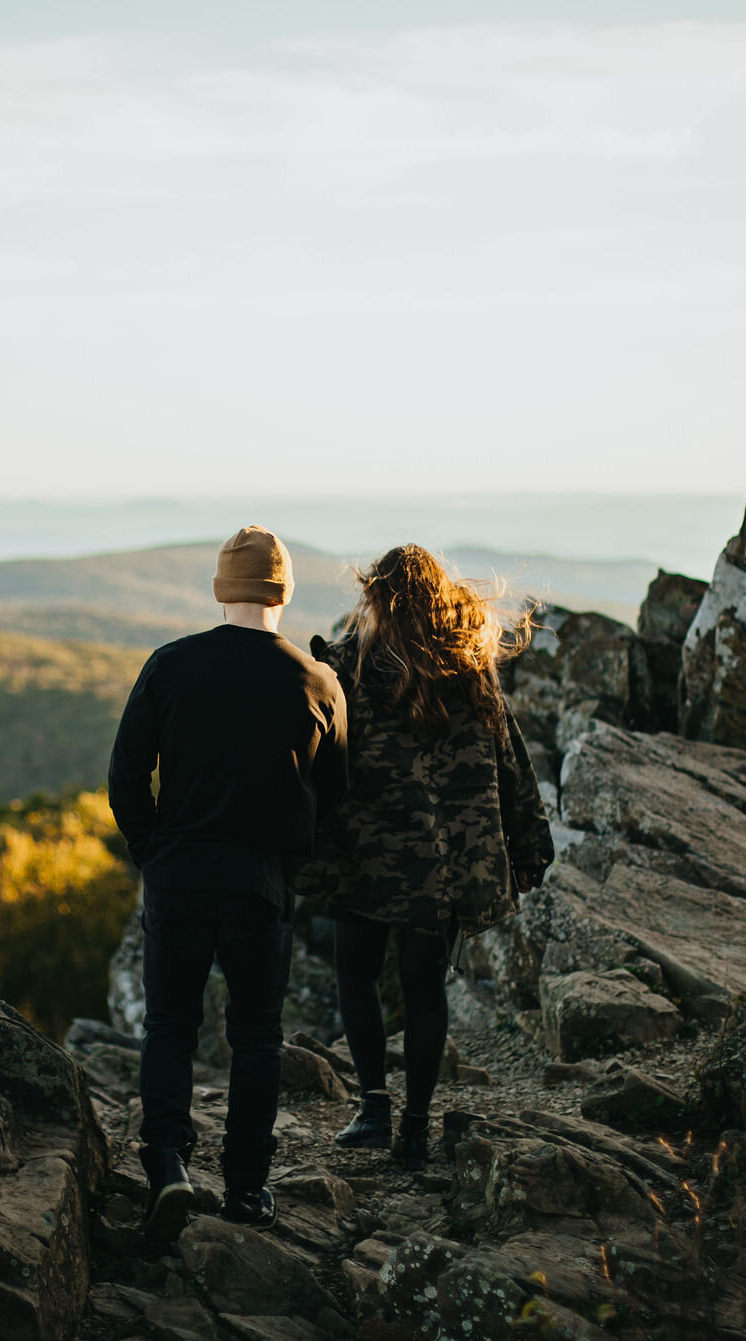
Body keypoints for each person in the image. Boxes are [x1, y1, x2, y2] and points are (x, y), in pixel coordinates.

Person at [106, 525, 349, 1239]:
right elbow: (334, 796)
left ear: (222, 588)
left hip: (178, 874)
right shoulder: (318, 681)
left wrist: (152, 846)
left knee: (169, 1027)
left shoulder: (170, 665)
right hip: (260, 884)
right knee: (256, 1035)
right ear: (284, 592)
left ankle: (169, 1165)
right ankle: (246, 1187)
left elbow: (125, 774)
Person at [298, 544, 553, 1170]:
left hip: (368, 860)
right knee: (424, 989)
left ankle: (375, 1110)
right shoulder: (469, 667)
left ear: (377, 598)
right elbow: (509, 760)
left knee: (355, 975)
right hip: (444, 866)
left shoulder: (348, 666)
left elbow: (318, 763)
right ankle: (414, 1128)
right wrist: (529, 846)